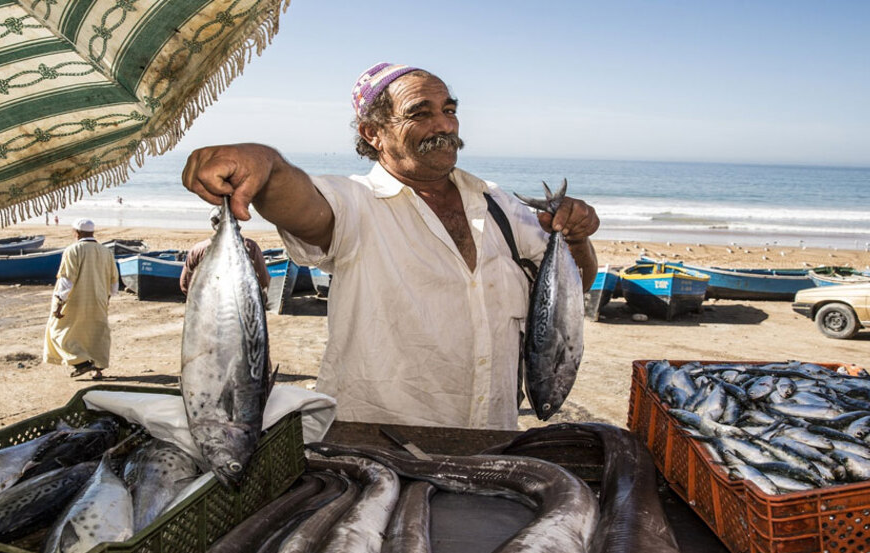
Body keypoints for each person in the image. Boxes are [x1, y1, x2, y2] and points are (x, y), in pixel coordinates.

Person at [181, 62, 599, 430]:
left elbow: (572, 290)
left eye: (449, 110)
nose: (445, 125)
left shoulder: (500, 205)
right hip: (376, 445)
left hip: (492, 438)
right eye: (421, 113)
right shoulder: (356, 203)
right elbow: (304, 206)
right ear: (373, 133)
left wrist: (577, 238)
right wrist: (266, 164)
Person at [43, 218, 120, 379]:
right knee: (95, 334)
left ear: (76, 233)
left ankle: (81, 363)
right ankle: (97, 369)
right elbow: (114, 281)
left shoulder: (73, 250)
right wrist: (107, 299)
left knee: (56, 331)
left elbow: (66, 280)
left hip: (75, 301)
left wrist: (58, 304)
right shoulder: (106, 251)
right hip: (99, 299)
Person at [180, 208, 270, 300]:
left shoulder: (198, 249)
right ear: (235, 222)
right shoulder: (250, 247)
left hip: (208, 303)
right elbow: (264, 280)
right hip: (242, 301)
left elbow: (185, 283)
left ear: (213, 224)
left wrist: (198, 302)